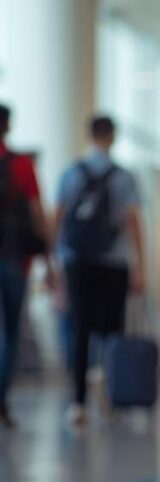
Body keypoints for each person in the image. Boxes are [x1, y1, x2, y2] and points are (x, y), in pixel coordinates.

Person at [55, 114, 145, 429]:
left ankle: (78, 402)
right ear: (113, 137)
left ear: (89, 135)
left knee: (80, 330)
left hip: (77, 261)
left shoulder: (70, 173)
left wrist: (54, 263)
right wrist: (139, 266)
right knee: (112, 329)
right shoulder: (123, 177)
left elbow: (59, 218)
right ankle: (108, 387)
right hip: (113, 261)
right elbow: (132, 221)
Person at [0, 103, 52, 429]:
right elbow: (37, 214)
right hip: (14, 259)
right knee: (10, 334)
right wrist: (50, 261)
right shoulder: (21, 164)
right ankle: (1, 401)